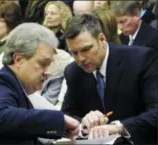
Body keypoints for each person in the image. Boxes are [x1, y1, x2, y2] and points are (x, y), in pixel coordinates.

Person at [0, 23, 80, 145]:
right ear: (18, 60)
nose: (48, 72)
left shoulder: (16, 86)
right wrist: (57, 120)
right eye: (43, 63)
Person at [61, 14, 158, 144]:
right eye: (74, 52)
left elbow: (155, 113)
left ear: (102, 39)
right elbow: (68, 114)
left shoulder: (141, 60)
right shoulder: (73, 71)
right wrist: (84, 122)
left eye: (86, 49)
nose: (81, 59)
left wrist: (119, 127)